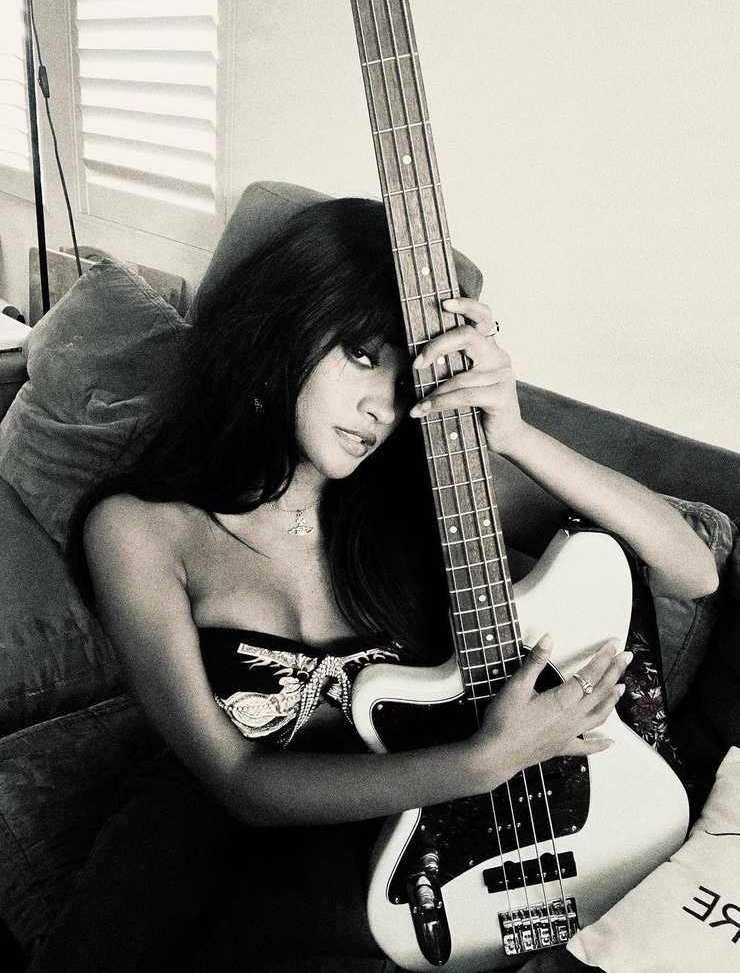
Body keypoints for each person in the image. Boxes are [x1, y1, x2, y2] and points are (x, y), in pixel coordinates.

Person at [30, 196, 718, 973]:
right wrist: (486, 761)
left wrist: (514, 432)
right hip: (204, 806)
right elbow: (236, 780)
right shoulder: (138, 528)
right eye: (361, 354)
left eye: (405, 376)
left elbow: (691, 568)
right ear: (281, 329)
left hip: (384, 812)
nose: (380, 407)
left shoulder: (430, 490)